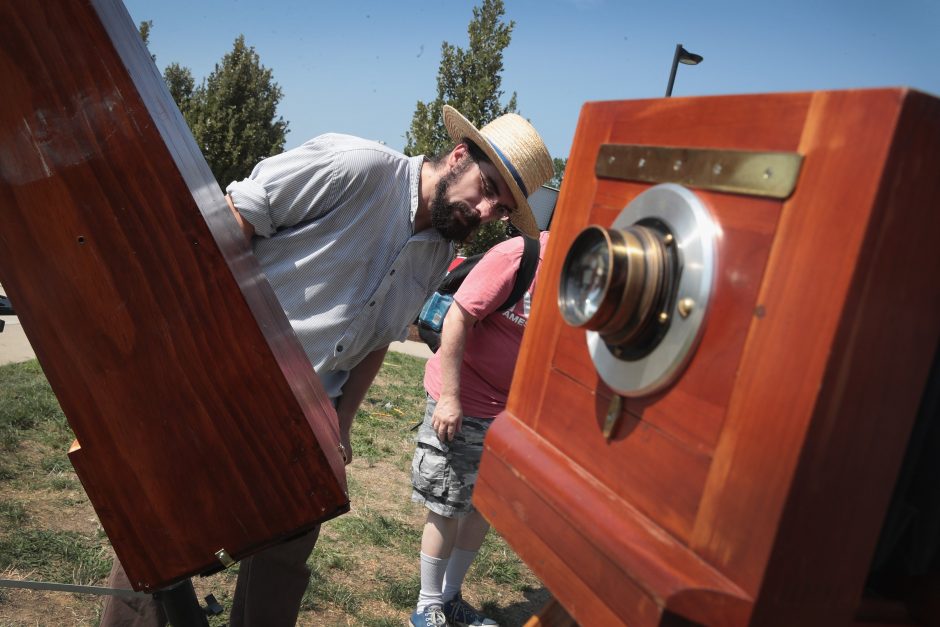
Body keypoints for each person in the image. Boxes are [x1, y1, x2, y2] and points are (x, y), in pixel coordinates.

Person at [98, 105, 553, 627]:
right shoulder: (357, 165)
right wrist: (207, 358)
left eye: (500, 207)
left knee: (285, 557)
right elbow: (235, 217)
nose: (486, 208)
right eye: (487, 185)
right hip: (227, 384)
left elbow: (379, 338)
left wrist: (342, 422)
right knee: (162, 539)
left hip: (311, 416)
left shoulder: (437, 253)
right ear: (457, 156)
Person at [409, 229, 550, 627]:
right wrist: (451, 398)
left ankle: (451, 596)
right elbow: (459, 317)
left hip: (510, 415)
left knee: (482, 507)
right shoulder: (519, 256)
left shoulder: (579, 276)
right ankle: (427, 605)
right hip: (463, 401)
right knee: (447, 503)